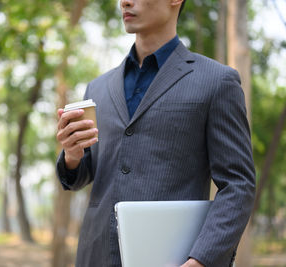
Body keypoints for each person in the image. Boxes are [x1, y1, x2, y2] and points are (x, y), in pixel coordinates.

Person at [56, 0, 255, 266]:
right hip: (96, 255)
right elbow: (83, 176)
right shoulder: (97, 88)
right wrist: (72, 155)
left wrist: (201, 260)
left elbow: (238, 184)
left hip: (172, 258)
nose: (125, 2)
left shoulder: (216, 82)